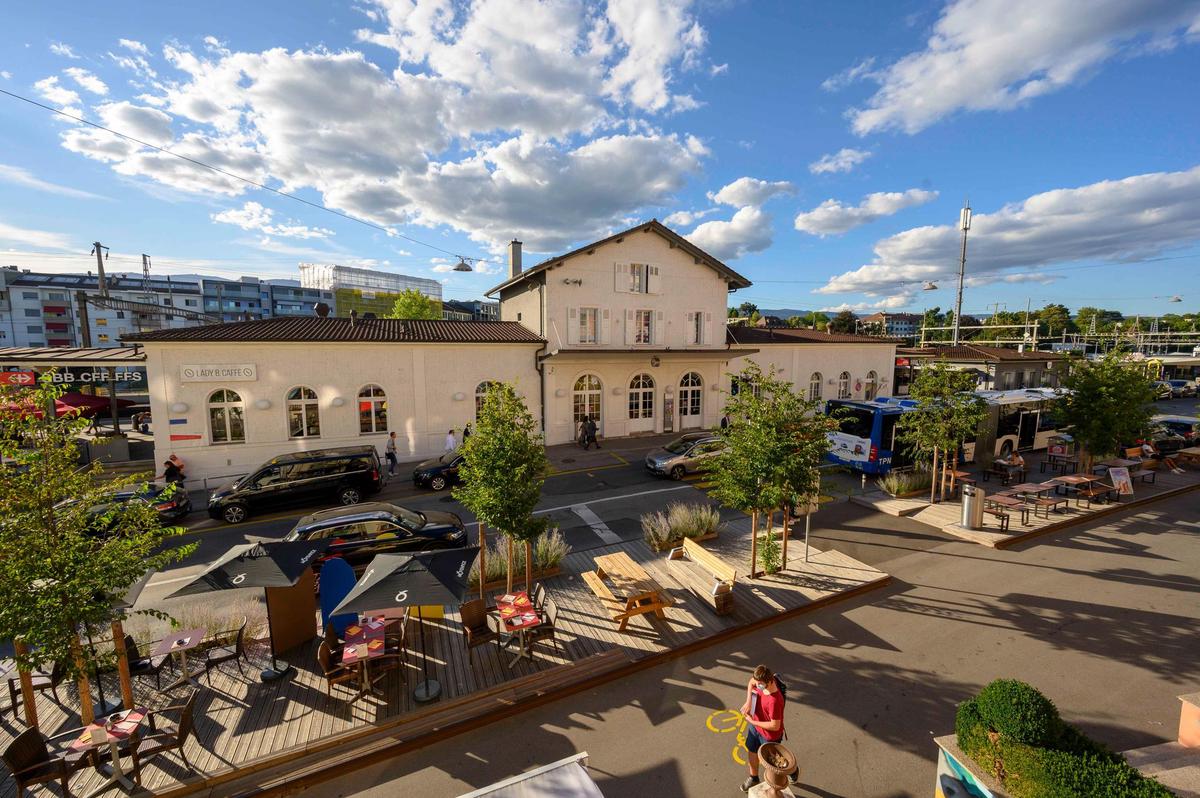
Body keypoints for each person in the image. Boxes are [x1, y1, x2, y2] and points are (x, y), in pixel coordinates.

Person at [738, 664, 787, 792]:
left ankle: (788, 773)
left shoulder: (775, 700)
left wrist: (753, 722)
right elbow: (751, 682)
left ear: (770, 681)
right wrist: (748, 701)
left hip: (769, 736)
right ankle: (753, 778)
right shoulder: (763, 679)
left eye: (761, 684)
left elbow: (774, 725)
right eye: (758, 683)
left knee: (772, 765)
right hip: (756, 728)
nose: (758, 685)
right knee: (752, 750)